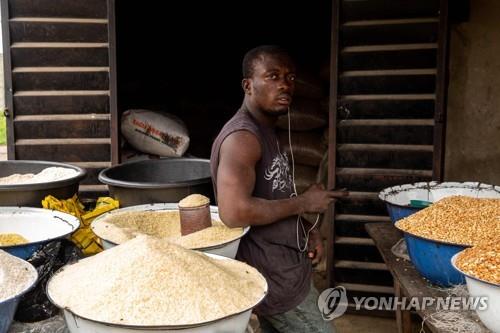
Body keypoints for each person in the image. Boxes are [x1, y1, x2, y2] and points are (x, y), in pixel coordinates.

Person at [210, 45, 345, 333]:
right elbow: (234, 212)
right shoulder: (243, 138)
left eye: (290, 77)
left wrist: (306, 228)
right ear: (248, 85)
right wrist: (305, 203)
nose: (285, 84)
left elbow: (271, 197)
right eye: (272, 76)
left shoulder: (266, 130)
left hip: (286, 268)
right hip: (273, 278)